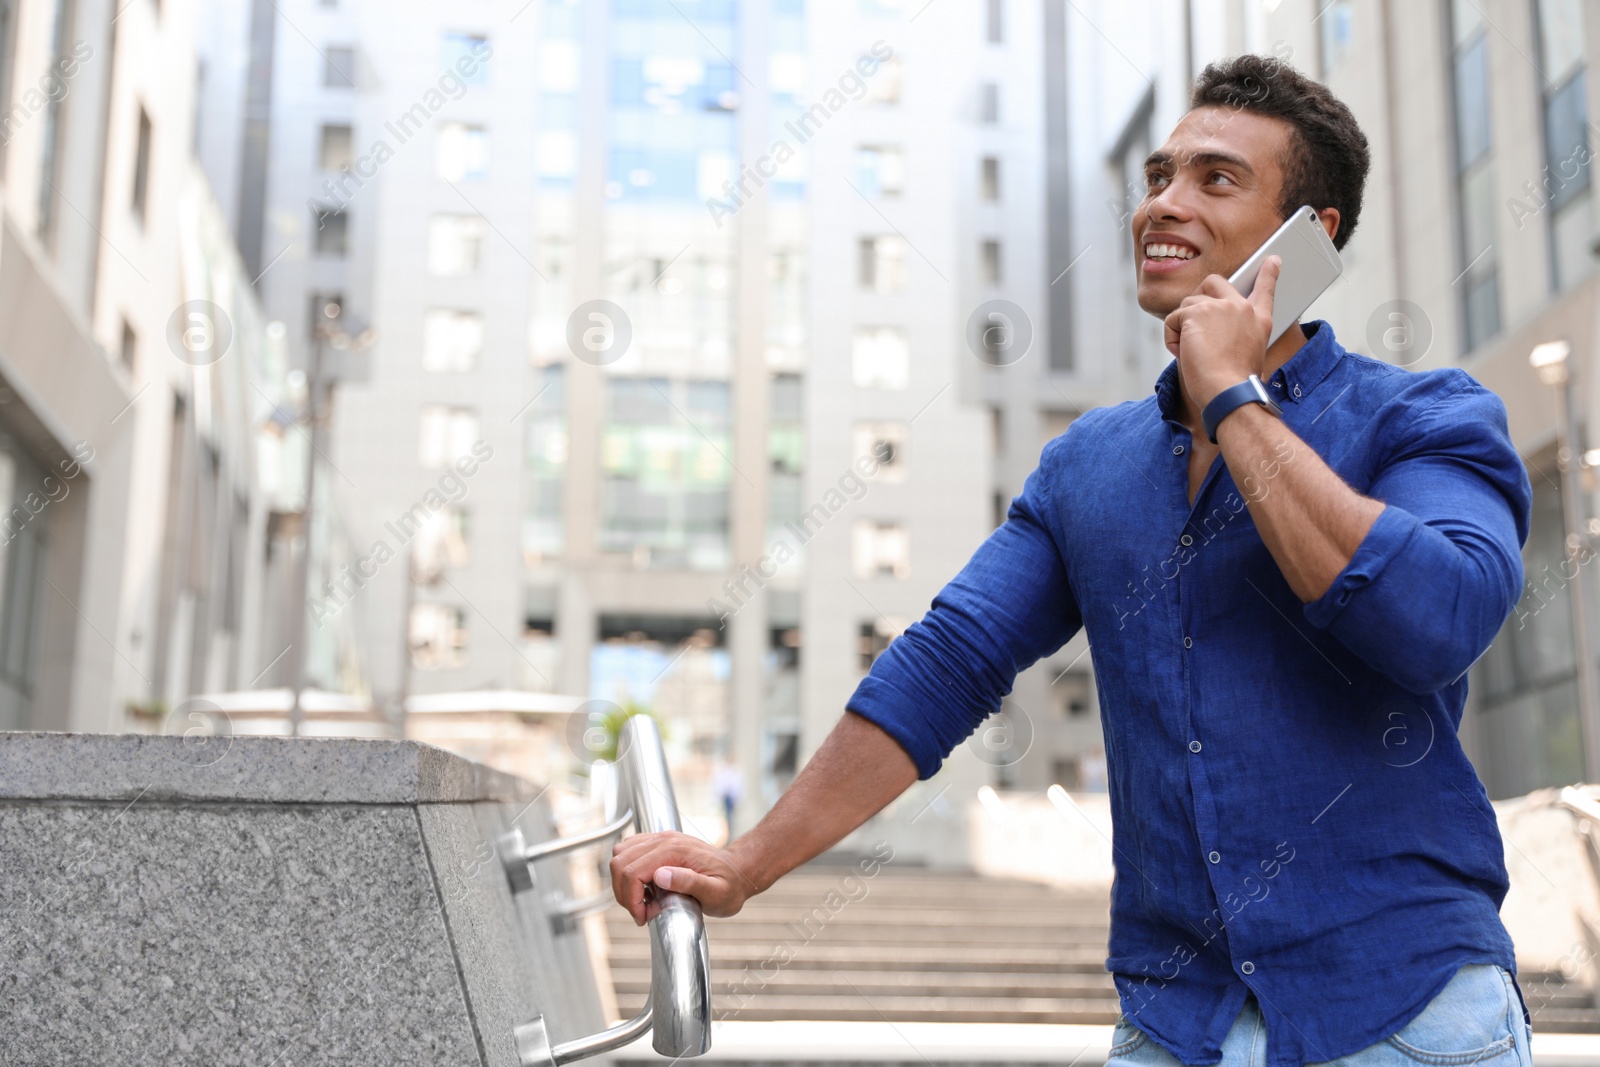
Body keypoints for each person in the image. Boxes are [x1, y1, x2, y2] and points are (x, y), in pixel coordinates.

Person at [611, 54, 1534, 1067]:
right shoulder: (1089, 466)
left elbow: (1434, 619)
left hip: (1404, 1014)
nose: (1162, 206)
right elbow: (947, 664)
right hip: (1176, 1025)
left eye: (1214, 180)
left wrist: (1232, 398)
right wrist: (745, 861)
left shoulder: (1425, 416)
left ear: (1307, 240)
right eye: (1156, 177)